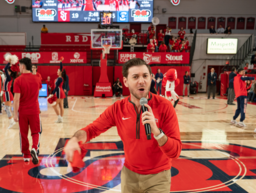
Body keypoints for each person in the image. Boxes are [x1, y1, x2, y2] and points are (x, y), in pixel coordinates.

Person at [64, 58, 181, 193]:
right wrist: (74, 139)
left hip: (158, 178)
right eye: (135, 77)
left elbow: (175, 152)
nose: (141, 81)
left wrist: (157, 133)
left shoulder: (165, 107)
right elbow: (92, 129)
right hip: (129, 177)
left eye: (145, 76)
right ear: (125, 81)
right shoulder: (118, 109)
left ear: (151, 79)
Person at [13, 58, 42, 164]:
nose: (19, 68)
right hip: (34, 110)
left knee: (23, 133)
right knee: (35, 132)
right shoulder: (37, 79)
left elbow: (16, 99)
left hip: (23, 111)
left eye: (19, 65)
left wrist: (15, 114)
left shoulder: (18, 80)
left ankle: (26, 155)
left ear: (23, 66)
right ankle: (34, 148)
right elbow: (37, 94)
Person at [4, 61, 18, 128]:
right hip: (5, 92)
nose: (6, 72)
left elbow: (5, 68)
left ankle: (12, 121)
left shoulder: (9, 77)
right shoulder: (8, 77)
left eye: (8, 71)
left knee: (7, 108)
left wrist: (9, 62)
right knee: (6, 108)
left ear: (10, 72)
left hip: (7, 93)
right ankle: (11, 121)